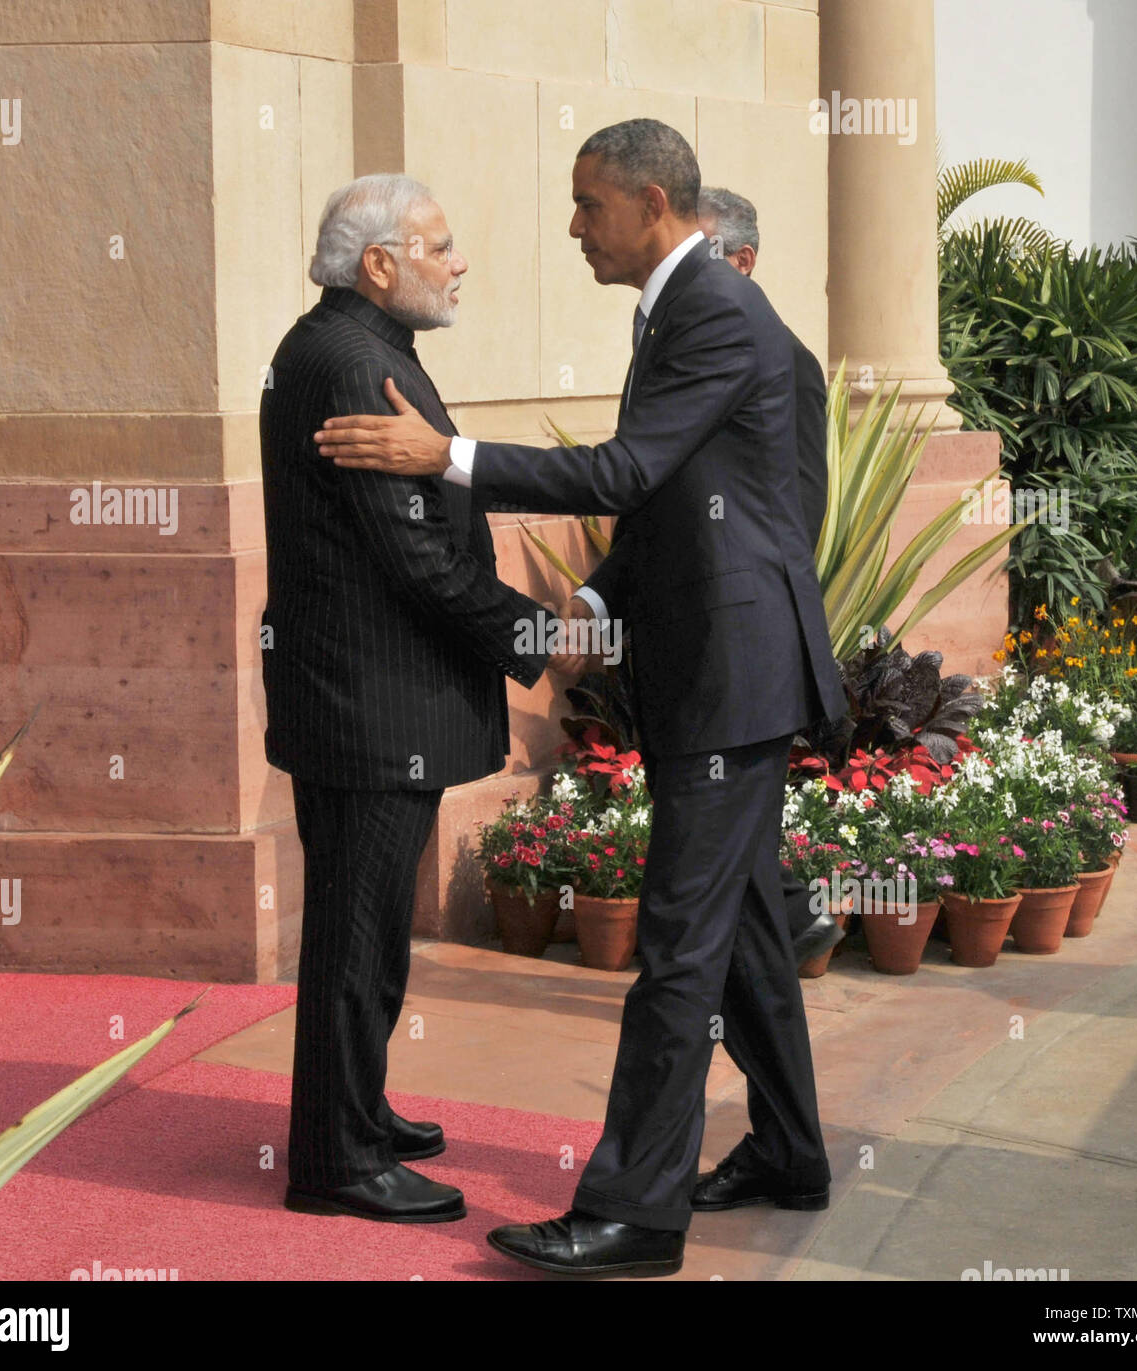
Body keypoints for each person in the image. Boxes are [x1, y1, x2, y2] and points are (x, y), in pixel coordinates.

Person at [314, 119, 848, 1278]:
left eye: (587, 205)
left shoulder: (711, 306)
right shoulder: (677, 303)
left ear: (652, 204)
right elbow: (667, 494)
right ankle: (791, 1154)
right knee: (746, 929)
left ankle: (634, 1216)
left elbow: (619, 472)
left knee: (676, 953)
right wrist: (600, 604)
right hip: (709, 671)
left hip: (730, 685)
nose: (571, 227)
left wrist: (442, 459)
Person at [260, 174, 554, 1225]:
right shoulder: (349, 362)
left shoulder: (353, 346)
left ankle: (356, 1113)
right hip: (367, 707)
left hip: (365, 699)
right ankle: (335, 1161)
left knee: (371, 932)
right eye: (439, 243)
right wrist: (544, 636)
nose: (458, 260)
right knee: (354, 934)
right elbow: (416, 556)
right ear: (376, 265)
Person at [698, 185, 843, 967]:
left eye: (705, 254)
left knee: (725, 841)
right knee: (725, 843)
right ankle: (787, 926)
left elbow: (798, 515)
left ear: (742, 262)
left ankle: (791, 917)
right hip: (694, 645)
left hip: (747, 641)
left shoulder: (788, 362)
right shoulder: (684, 347)